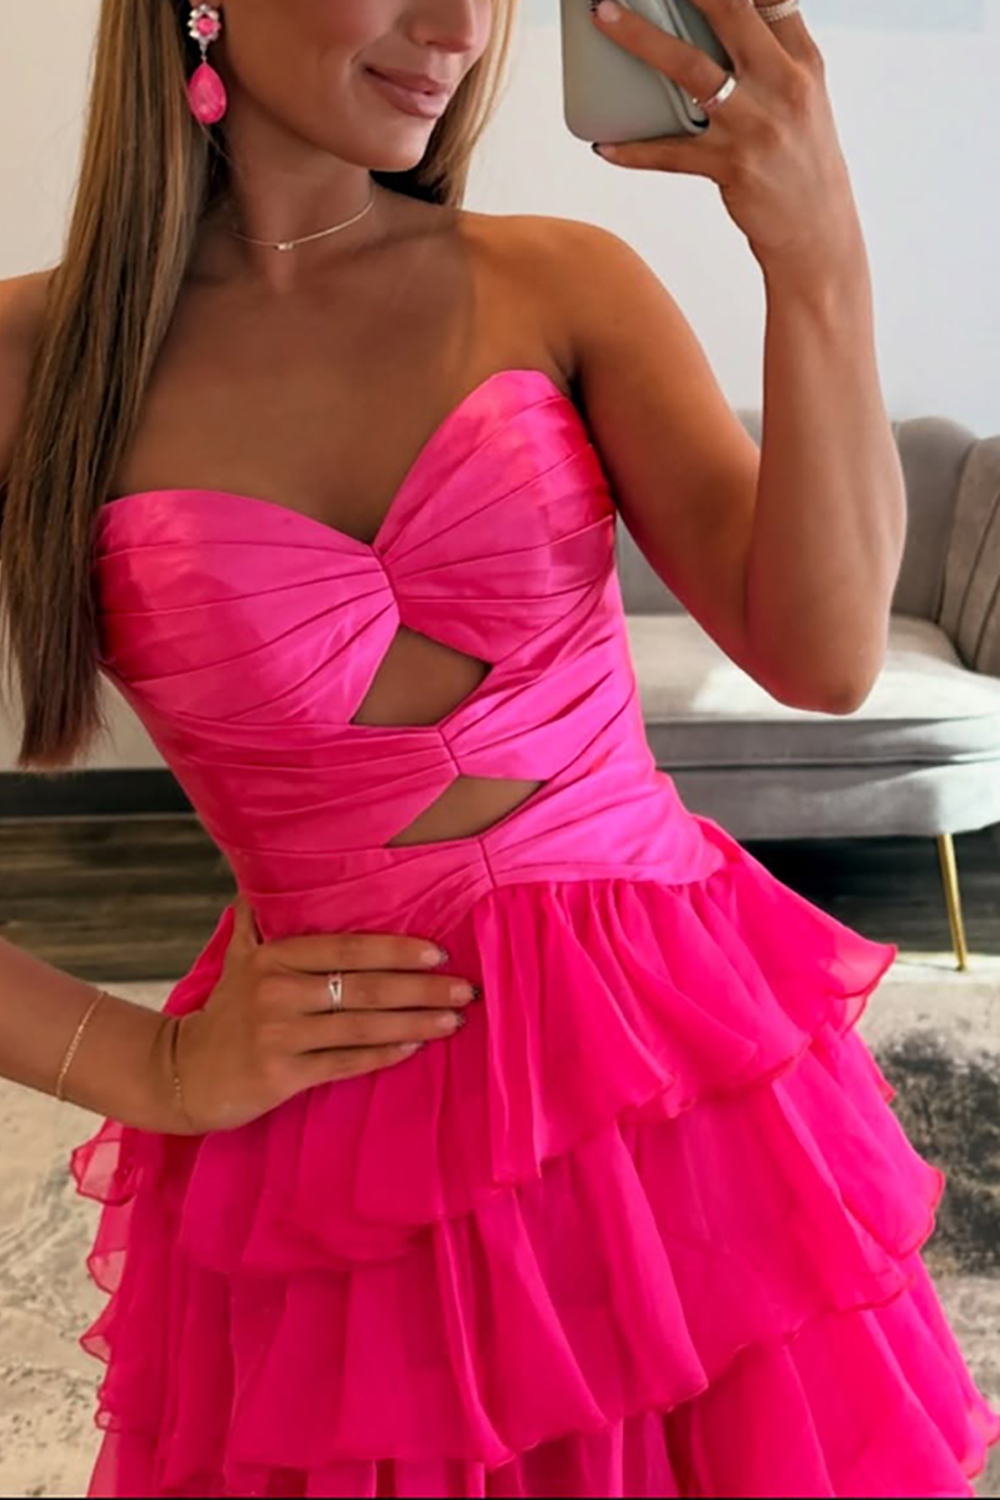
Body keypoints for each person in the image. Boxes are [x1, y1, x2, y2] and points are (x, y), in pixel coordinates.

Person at [0, 1, 997, 1495]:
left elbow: (827, 650)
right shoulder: (34, 364)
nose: (460, 26)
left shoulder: (557, 283)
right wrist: (146, 1061)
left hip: (665, 1075)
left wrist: (817, 251)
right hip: (337, 1130)